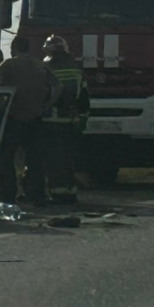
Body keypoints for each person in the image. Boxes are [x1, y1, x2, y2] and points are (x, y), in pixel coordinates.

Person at [0, 36, 61, 205]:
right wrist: (46, 104)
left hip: (14, 117)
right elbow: (58, 86)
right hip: (35, 117)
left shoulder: (7, 65)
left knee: (6, 157)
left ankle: (8, 194)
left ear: (14, 47)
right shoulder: (40, 65)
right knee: (35, 159)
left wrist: (3, 108)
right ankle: (36, 195)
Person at [42, 35, 90, 204]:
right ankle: (71, 192)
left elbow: (43, 94)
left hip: (50, 121)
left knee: (54, 160)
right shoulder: (77, 67)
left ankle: (58, 194)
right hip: (71, 121)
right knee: (68, 158)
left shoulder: (46, 68)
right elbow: (84, 97)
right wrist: (82, 118)